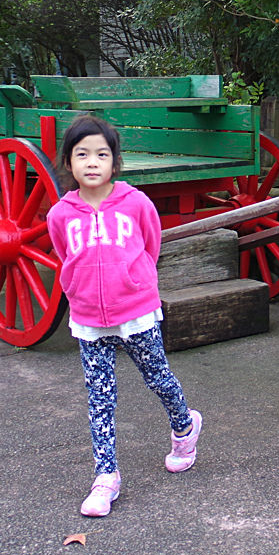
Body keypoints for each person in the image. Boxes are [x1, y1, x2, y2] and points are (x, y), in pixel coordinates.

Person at [46, 114, 202, 517]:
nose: (92, 162)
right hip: (88, 322)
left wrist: (134, 281)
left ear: (115, 163)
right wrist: (80, 289)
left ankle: (184, 427)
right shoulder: (60, 215)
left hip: (136, 315)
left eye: (101, 154)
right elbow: (65, 255)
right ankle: (106, 477)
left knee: (159, 379)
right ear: (69, 163)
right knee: (100, 400)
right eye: (82, 155)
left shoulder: (135, 203)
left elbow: (151, 246)